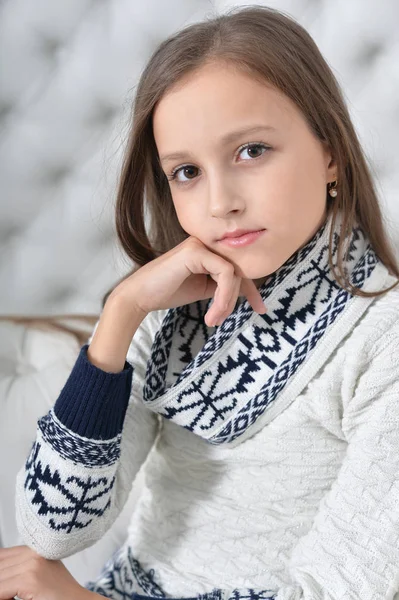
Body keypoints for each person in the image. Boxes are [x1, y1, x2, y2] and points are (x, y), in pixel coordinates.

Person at [1, 4, 399, 600]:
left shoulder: (383, 337)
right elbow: (50, 531)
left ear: (330, 152)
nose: (220, 203)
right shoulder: (166, 312)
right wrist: (121, 316)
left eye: (251, 151)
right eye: (186, 171)